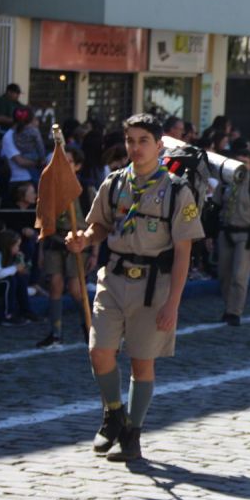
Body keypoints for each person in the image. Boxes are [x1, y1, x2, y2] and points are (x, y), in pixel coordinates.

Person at [65, 113, 204, 462]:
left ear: (159, 146)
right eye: (130, 141)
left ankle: (132, 432)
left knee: (142, 362)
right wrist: (83, 240)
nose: (136, 148)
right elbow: (99, 227)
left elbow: (183, 254)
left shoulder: (175, 191)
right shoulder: (114, 184)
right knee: (100, 352)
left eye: (143, 141)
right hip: (112, 278)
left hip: (153, 287)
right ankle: (113, 413)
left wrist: (173, 303)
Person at [36, 146, 98, 347]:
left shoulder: (86, 190)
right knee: (55, 284)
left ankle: (90, 327)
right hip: (55, 242)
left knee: (75, 289)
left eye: (70, 162)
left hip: (79, 243)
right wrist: (41, 250)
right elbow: (44, 222)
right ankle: (55, 333)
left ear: (77, 166)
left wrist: (94, 253)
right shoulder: (49, 189)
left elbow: (97, 223)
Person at [217, 149, 250, 326]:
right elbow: (215, 208)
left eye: (246, 162)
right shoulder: (225, 183)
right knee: (224, 274)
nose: (242, 165)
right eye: (238, 161)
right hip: (225, 233)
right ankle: (228, 305)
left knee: (239, 275)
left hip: (245, 236)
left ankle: (234, 311)